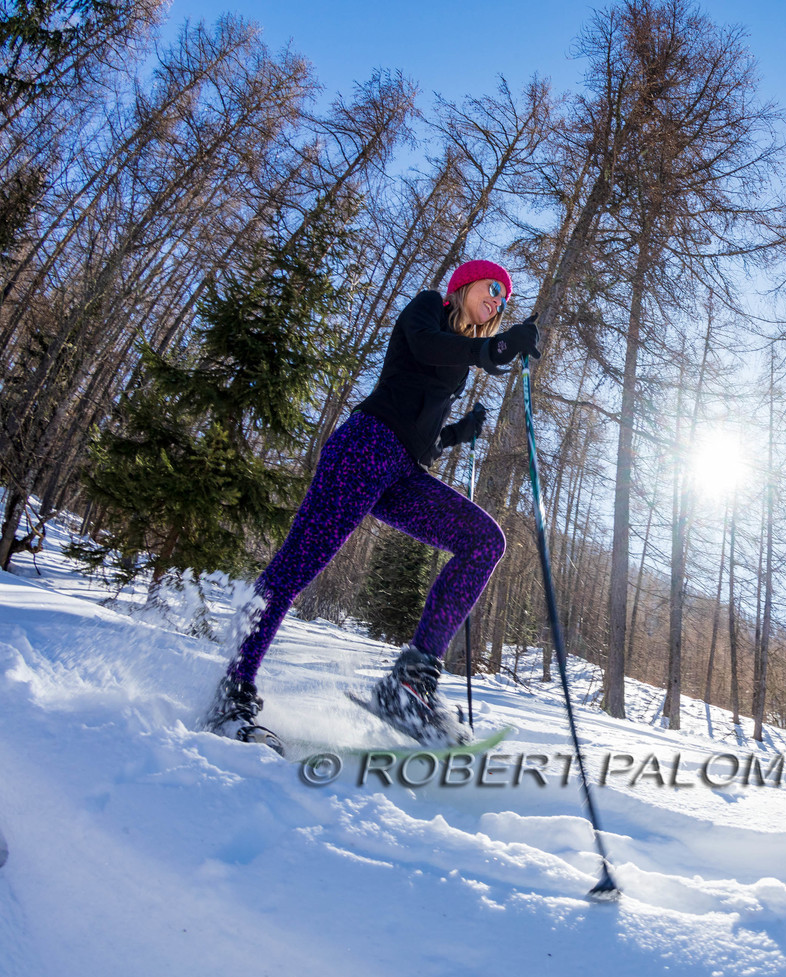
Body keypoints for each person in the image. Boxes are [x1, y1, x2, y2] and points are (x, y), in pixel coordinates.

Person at [204, 259, 540, 751]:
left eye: (504, 299)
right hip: (364, 448)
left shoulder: (461, 360)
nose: (497, 300)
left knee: (484, 541)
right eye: (493, 287)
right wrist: (494, 349)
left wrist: (455, 434)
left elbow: (422, 441)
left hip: (403, 471)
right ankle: (232, 694)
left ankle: (409, 685)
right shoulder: (429, 307)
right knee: (296, 567)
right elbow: (425, 346)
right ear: (464, 285)